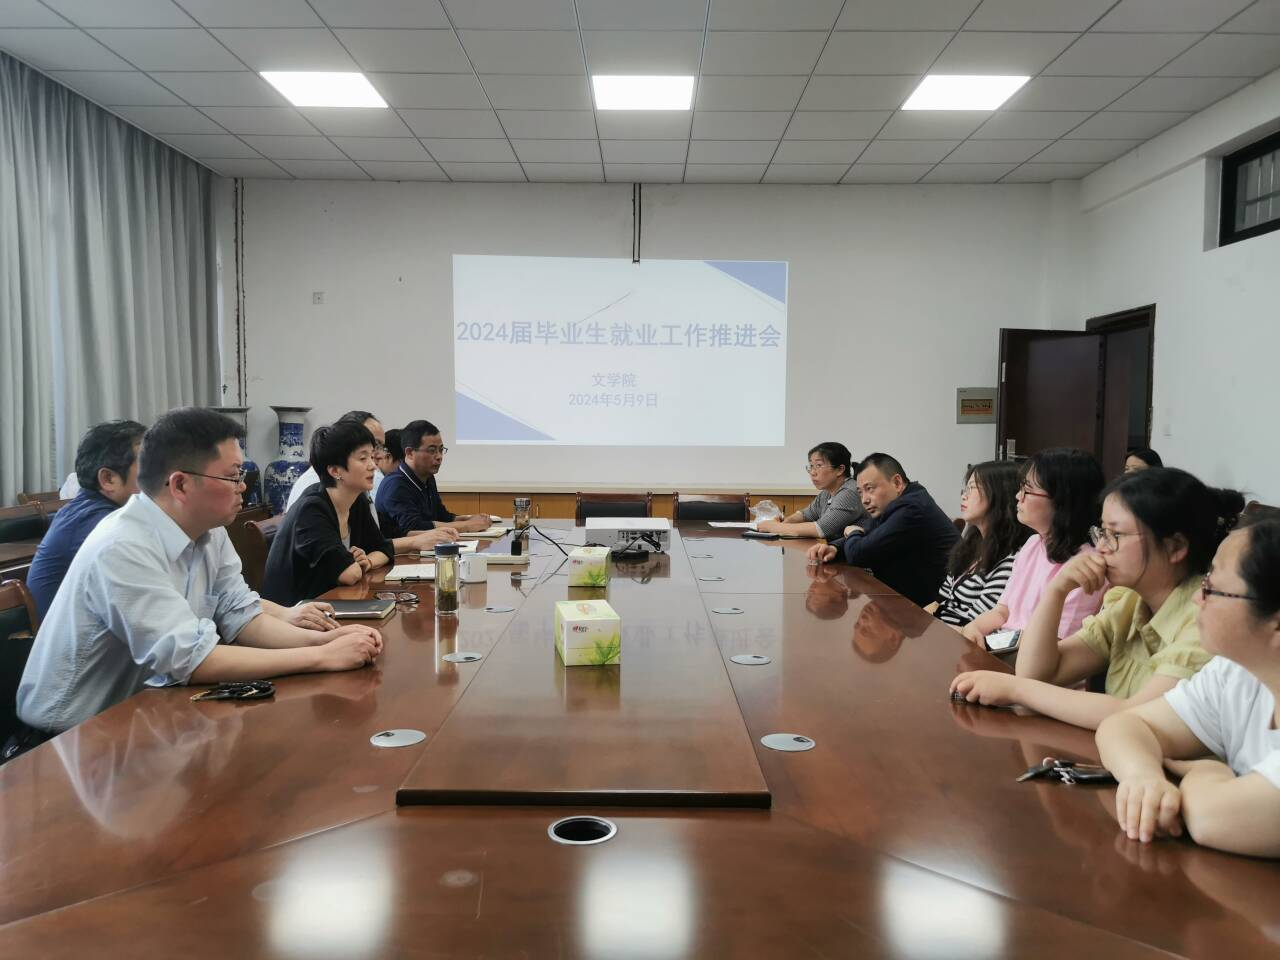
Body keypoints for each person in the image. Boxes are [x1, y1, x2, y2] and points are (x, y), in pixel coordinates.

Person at [12, 408, 383, 747]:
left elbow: (243, 615)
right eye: (233, 476)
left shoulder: (210, 530)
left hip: (145, 718)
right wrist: (319, 657)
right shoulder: (122, 545)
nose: (243, 486)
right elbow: (192, 659)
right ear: (180, 485)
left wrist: (325, 640)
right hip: (67, 742)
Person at [951, 467, 1244, 730]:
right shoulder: (1129, 604)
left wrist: (1016, 690)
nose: (1101, 547)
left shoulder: (1203, 616)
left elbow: (1138, 714)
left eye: (1115, 535)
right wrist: (1056, 590)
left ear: (1175, 547)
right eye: (1101, 532)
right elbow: (1037, 673)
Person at [1096, 512, 1280, 857]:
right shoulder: (1237, 672)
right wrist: (1143, 778)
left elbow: (1212, 819)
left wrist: (1206, 771)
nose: (1197, 598)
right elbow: (1124, 725)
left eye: (1212, 588)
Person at [263, 421, 447, 605]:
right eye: (363, 458)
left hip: (333, 603)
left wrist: (366, 561)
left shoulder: (356, 500)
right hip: (295, 613)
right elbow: (348, 574)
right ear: (335, 470)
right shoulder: (311, 509)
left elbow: (382, 547)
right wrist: (355, 562)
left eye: (372, 457)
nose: (373, 466)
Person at [960, 448, 1107, 646]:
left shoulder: (1085, 566)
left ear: (1061, 500)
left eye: (1027, 490)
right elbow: (1003, 611)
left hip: (1034, 656)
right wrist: (974, 628)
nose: (1017, 496)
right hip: (1004, 646)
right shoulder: (1033, 544)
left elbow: (1056, 641)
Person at [806, 453, 959, 607]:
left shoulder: (912, 508)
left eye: (870, 489)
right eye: (860, 492)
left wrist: (853, 533)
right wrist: (834, 548)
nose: (864, 499)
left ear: (897, 483)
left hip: (927, 609)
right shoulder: (900, 502)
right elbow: (868, 533)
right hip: (904, 597)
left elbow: (858, 555)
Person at [26, 420, 145, 619]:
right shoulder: (98, 524)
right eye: (150, 465)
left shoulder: (88, 509)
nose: (163, 476)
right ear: (108, 479)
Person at [931, 460, 1030, 627]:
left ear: (999, 494)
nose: (964, 496)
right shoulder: (970, 545)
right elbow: (939, 602)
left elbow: (974, 626)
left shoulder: (1011, 560)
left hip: (963, 637)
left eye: (972, 488)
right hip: (941, 630)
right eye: (965, 489)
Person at [375, 419, 491, 535]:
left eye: (441, 450)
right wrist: (467, 526)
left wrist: (469, 519)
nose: (439, 456)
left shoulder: (428, 477)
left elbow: (442, 516)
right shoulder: (395, 484)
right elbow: (414, 527)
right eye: (432, 451)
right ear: (410, 453)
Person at [285, 410, 386, 519]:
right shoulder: (314, 496)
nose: (379, 455)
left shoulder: (355, 493)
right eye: (363, 457)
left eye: (378, 447)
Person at [757, 441, 866, 539]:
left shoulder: (850, 492)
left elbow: (820, 530)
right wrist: (785, 522)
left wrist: (775, 527)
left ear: (840, 469)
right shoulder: (826, 493)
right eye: (811, 466)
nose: (812, 473)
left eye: (818, 465)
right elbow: (806, 514)